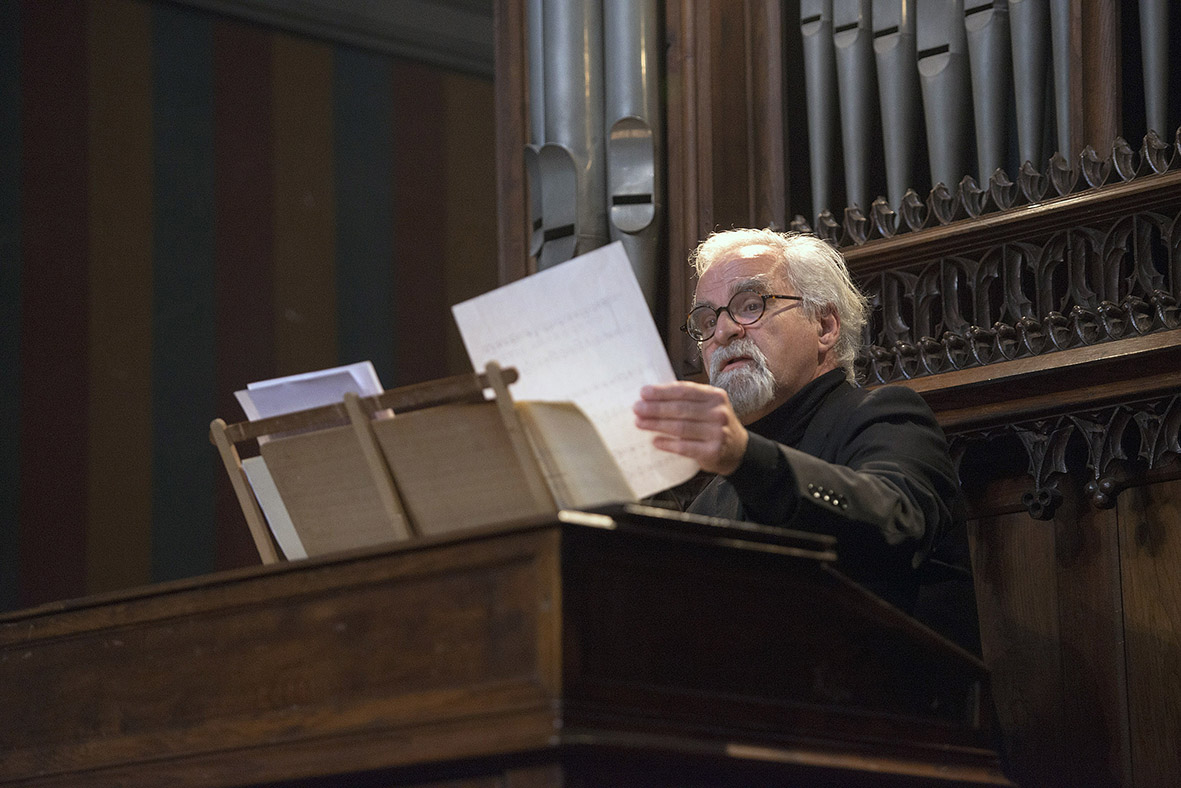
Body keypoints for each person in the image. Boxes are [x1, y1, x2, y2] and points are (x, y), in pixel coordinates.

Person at [633, 228, 971, 627]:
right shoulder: (712, 500)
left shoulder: (885, 417)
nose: (722, 332)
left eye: (750, 305)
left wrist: (747, 458)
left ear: (825, 326)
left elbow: (894, 525)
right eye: (707, 320)